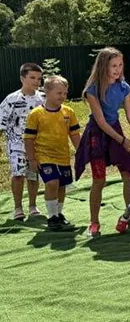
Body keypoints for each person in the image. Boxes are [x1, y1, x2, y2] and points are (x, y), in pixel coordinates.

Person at [75, 47, 130, 237]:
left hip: (116, 131)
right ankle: (94, 222)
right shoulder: (92, 90)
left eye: (120, 65)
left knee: (129, 174)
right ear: (103, 66)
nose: (117, 69)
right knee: (99, 179)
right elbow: (101, 121)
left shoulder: (124, 87)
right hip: (97, 134)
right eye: (113, 65)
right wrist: (122, 140)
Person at [24, 76, 81, 232]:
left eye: (65, 93)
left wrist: (80, 152)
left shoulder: (68, 112)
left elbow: (74, 134)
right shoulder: (36, 114)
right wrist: (32, 159)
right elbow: (29, 139)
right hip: (43, 156)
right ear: (47, 91)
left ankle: (59, 213)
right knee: (52, 183)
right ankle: (51, 217)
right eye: (59, 93)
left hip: (63, 156)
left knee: (62, 185)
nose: (62, 96)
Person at [0, 62, 45, 220]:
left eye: (39, 79)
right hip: (16, 143)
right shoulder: (11, 99)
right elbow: (1, 122)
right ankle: (18, 207)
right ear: (22, 78)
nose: (36, 82)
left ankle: (33, 205)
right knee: (18, 174)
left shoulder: (43, 98)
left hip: (36, 144)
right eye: (32, 77)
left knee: (33, 175)